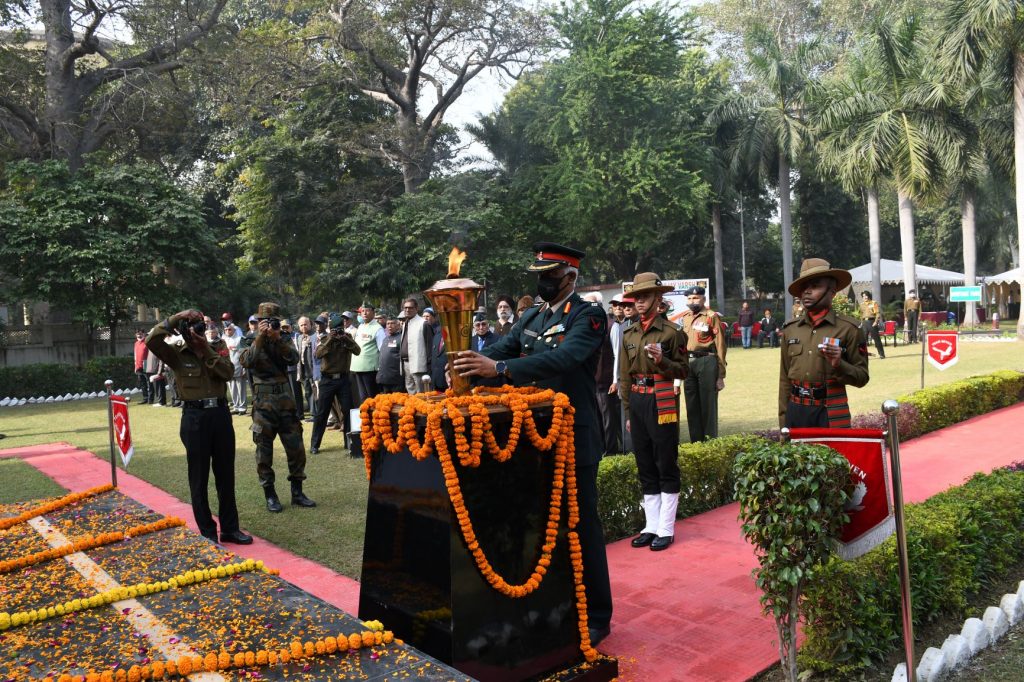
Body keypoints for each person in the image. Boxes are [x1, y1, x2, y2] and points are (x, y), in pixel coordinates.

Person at [452, 241, 614, 647]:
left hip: (573, 436)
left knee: (581, 526)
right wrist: (466, 361)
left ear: (570, 277)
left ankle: (596, 613)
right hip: (531, 440)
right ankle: (550, 605)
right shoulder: (530, 316)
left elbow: (565, 359)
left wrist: (501, 368)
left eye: (549, 275)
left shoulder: (588, 316)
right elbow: (499, 352)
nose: (542, 282)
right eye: (538, 276)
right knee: (538, 525)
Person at [145, 310, 252, 545]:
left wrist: (205, 349)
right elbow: (151, 339)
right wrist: (175, 318)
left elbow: (227, 372)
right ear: (182, 331)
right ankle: (207, 531)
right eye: (192, 328)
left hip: (220, 415)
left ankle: (230, 529)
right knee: (199, 476)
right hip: (194, 417)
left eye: (201, 327)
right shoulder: (175, 353)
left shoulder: (216, 346)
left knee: (226, 475)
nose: (198, 332)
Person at [617, 274, 689, 551]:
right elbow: (624, 376)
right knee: (644, 462)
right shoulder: (629, 333)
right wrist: (627, 412)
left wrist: (663, 361)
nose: (640, 301)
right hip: (637, 399)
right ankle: (651, 525)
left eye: (646, 296)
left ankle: (666, 528)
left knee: (665, 460)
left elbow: (684, 371)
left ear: (659, 298)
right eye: (637, 296)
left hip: (662, 399)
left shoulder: (672, 332)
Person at [239, 302, 316, 512]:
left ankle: (297, 492)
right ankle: (270, 494)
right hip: (263, 403)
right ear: (257, 322)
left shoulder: (283, 337)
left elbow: (293, 358)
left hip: (285, 399)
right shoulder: (249, 339)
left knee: (296, 448)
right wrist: (261, 338)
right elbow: (247, 361)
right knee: (264, 450)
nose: (269, 326)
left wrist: (276, 339)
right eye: (264, 322)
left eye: (272, 322)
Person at [780, 259, 870, 428]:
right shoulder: (791, 329)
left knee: (832, 453)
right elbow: (784, 379)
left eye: (815, 286)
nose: (806, 291)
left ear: (832, 292)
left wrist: (839, 364)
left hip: (830, 411)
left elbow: (862, 377)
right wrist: (783, 422)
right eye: (804, 287)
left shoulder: (849, 329)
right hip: (796, 411)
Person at [679, 286, 727, 442]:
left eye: (695, 298)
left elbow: (720, 345)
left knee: (708, 405)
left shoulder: (711, 317)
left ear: (703, 299)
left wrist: (721, 375)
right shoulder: (685, 317)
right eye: (689, 298)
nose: (692, 301)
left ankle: (710, 441)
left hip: (707, 361)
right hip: (688, 362)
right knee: (691, 405)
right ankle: (696, 443)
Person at [310, 312, 361, 455]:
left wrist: (346, 339)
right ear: (330, 329)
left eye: (340, 328)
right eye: (335, 329)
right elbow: (318, 355)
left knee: (348, 411)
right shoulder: (325, 338)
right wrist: (330, 340)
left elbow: (357, 351)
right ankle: (315, 445)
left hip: (344, 379)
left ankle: (350, 443)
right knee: (322, 413)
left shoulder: (347, 338)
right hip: (327, 380)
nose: (338, 331)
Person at [351, 303, 386, 405]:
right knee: (363, 397)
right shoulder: (361, 326)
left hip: (370, 369)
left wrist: (381, 369)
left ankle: (375, 419)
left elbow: (382, 350)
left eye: (367, 310)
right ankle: (366, 419)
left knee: (372, 396)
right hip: (357, 367)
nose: (364, 313)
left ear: (373, 312)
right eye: (362, 311)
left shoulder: (377, 328)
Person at [399, 298, 434, 394]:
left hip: (419, 365)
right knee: (411, 394)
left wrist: (429, 366)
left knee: (421, 394)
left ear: (416, 308)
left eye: (410, 308)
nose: (407, 310)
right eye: (405, 308)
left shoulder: (423, 324)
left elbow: (430, 347)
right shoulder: (405, 323)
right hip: (406, 364)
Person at [296, 316, 321, 423]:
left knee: (316, 392)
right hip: (303, 369)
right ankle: (313, 413)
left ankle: (317, 414)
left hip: (314, 369)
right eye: (301, 325)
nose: (303, 327)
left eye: (305, 324)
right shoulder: (299, 338)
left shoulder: (315, 336)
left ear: (310, 324)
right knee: (307, 392)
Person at [222, 320, 247, 414]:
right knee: (232, 388)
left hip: (239, 367)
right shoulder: (223, 340)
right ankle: (236, 406)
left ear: (234, 330)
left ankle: (242, 407)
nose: (228, 331)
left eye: (230, 329)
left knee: (241, 388)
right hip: (228, 368)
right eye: (226, 330)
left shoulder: (240, 339)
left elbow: (245, 355)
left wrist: (244, 368)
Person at [376, 312, 405, 393]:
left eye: (392, 323)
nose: (389, 326)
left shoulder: (401, 338)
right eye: (388, 323)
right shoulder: (385, 339)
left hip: (396, 379)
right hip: (384, 378)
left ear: (398, 325)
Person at [858, 291, 886, 359]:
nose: (865, 297)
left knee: (876, 339)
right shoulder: (861, 304)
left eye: (866, 296)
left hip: (872, 322)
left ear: (869, 296)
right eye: (863, 296)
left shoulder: (874, 303)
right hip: (864, 323)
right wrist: (861, 322)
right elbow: (861, 314)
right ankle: (862, 355)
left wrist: (876, 322)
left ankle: (881, 354)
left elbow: (877, 313)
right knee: (863, 340)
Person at [133, 330, 152, 404]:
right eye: (137, 334)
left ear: (143, 334)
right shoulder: (136, 343)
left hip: (146, 366)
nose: (139, 335)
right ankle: (145, 398)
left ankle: (150, 399)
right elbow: (135, 356)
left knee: (149, 383)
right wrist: (135, 366)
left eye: (140, 334)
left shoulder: (147, 341)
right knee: (142, 383)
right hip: (138, 366)